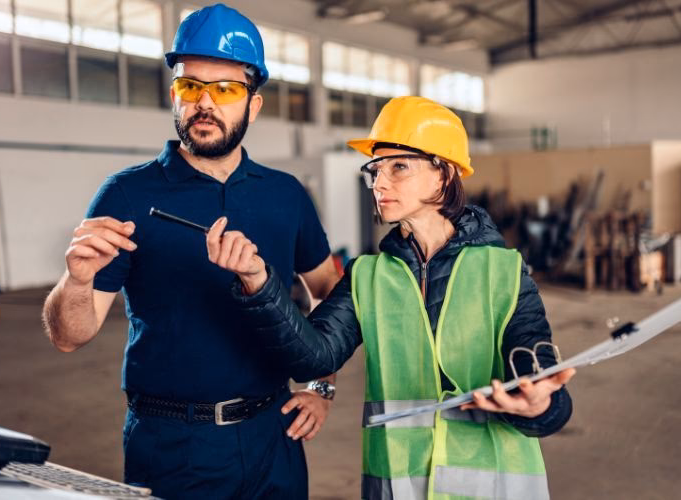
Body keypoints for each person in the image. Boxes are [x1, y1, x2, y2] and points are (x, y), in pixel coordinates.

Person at [41, 4, 340, 498]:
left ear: (254, 104)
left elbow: (331, 293)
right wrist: (74, 281)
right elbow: (71, 336)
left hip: (275, 434)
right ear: (174, 94)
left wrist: (321, 386)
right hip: (174, 444)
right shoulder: (127, 195)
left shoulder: (285, 194)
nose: (205, 103)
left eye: (224, 89)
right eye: (190, 86)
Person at [211, 96, 576, 500]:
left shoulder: (504, 270)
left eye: (398, 166)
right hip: (398, 487)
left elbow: (540, 375)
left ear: (444, 174)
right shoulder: (367, 276)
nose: (379, 183)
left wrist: (541, 405)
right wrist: (258, 283)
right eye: (375, 170)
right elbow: (314, 357)